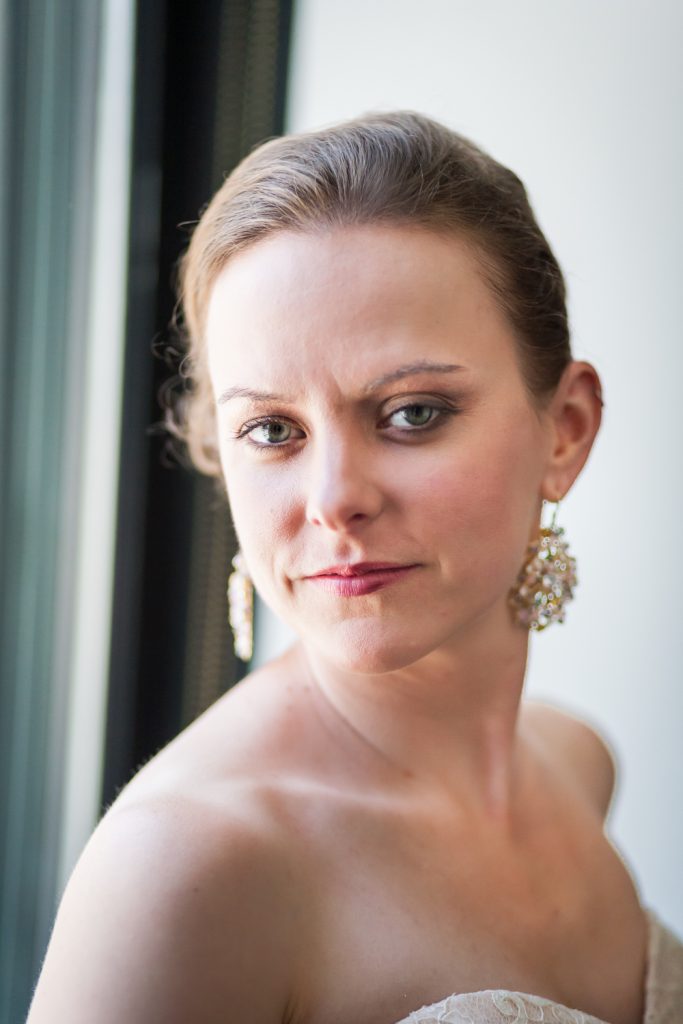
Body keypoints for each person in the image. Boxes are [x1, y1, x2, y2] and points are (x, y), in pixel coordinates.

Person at [27, 111, 683, 1024]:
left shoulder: (578, 765)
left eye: (412, 413)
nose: (334, 499)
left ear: (564, 431)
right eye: (272, 429)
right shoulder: (184, 869)